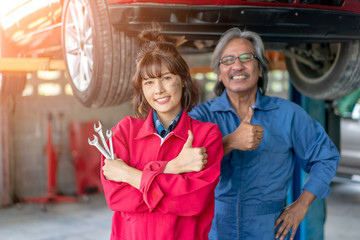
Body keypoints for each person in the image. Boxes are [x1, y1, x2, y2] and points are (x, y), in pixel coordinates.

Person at [189, 27, 340, 240]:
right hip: (214, 227)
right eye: (228, 60)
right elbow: (183, 164)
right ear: (220, 74)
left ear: (260, 70)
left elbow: (326, 157)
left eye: (246, 57)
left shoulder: (288, 115)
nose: (237, 65)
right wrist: (229, 142)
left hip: (269, 229)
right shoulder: (201, 116)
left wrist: (301, 205)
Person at [100, 25, 223, 240]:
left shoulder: (206, 136)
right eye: (149, 82)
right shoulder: (124, 132)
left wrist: (130, 175)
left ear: (183, 81)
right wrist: (173, 168)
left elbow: (193, 201)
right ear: (142, 89)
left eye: (166, 78)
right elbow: (116, 198)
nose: (158, 90)